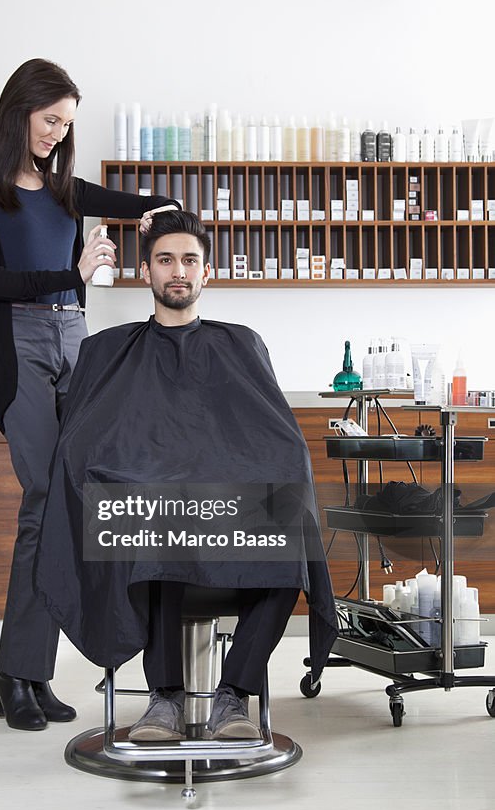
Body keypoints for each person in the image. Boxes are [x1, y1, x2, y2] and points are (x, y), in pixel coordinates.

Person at [34, 209, 337, 741]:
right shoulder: (108, 352)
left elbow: (278, 442)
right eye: (166, 259)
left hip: (234, 519)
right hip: (151, 526)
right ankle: (165, 699)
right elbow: (80, 447)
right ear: (145, 270)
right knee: (164, 522)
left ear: (207, 272)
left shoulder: (240, 344)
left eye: (189, 260)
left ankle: (232, 696)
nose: (178, 271)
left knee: (290, 536)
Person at [0, 58, 176, 731]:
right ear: (19, 109)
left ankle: (26, 672)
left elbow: (126, 205)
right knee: (43, 498)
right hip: (16, 344)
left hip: (75, 340)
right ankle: (17, 672)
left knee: (70, 503)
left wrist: (165, 210)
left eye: (65, 124)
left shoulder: (62, 188)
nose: (55, 133)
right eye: (50, 120)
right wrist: (68, 271)